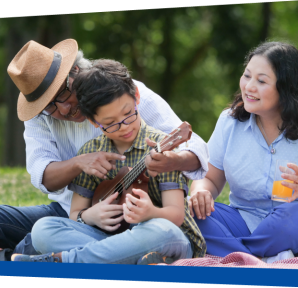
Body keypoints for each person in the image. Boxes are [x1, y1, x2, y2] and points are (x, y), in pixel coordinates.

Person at [0, 39, 208, 261]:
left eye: (63, 94)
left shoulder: (120, 93)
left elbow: (193, 145)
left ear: (76, 72)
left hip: (139, 217)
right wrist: (81, 165)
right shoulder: (42, 119)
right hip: (71, 214)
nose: (62, 108)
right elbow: (42, 175)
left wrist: (170, 161)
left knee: (38, 240)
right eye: (48, 105)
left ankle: (19, 259)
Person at [11, 59, 205, 264]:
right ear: (94, 122)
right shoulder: (91, 152)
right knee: (44, 229)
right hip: (111, 239)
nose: (124, 127)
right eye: (110, 124)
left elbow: (176, 217)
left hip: (164, 236)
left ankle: (65, 261)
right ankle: (126, 260)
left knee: (160, 231)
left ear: (137, 98)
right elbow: (75, 214)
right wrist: (90, 216)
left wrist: (150, 213)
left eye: (128, 114)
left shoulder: (162, 151)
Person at [188, 41, 298, 263]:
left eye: (261, 81)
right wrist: (199, 192)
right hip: (241, 218)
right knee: (189, 212)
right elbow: (210, 179)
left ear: (286, 87)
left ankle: (238, 255)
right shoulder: (229, 122)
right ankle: (262, 258)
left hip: (290, 218)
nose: (249, 86)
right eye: (247, 76)